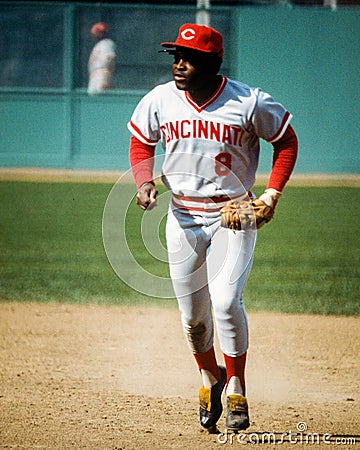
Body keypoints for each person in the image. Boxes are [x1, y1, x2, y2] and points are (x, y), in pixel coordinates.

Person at [127, 23, 298, 432]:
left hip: (233, 216)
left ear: (213, 63)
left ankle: (237, 382)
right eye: (176, 57)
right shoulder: (160, 100)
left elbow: (286, 140)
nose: (179, 65)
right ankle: (210, 376)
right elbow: (141, 142)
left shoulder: (248, 102)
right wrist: (144, 181)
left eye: (190, 59)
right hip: (183, 215)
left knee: (224, 302)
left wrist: (271, 195)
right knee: (193, 318)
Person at [88, 22, 116, 95]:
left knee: (101, 97)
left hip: (102, 74)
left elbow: (110, 59)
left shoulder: (107, 43)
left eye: (97, 33)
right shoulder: (98, 45)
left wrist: (107, 76)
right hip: (94, 75)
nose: (94, 36)